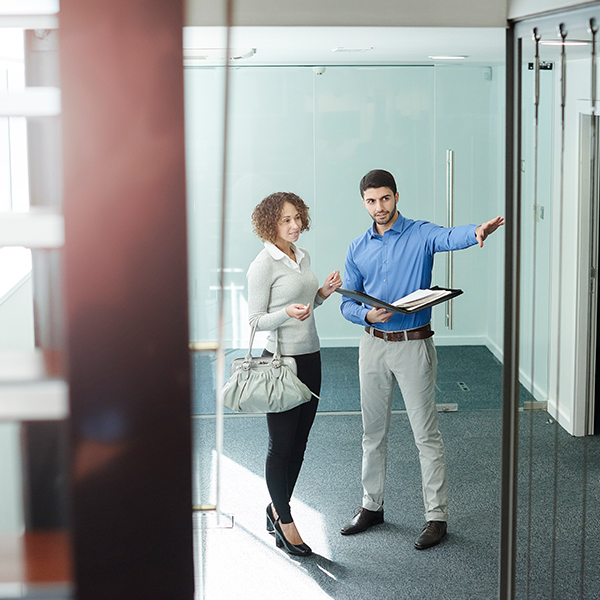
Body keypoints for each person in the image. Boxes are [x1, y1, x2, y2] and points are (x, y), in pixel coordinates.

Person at [339, 169, 504, 550]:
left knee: (425, 435)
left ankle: (436, 516)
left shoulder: (419, 233)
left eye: (385, 198)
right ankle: (371, 506)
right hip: (372, 345)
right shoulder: (357, 247)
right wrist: (366, 315)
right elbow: (348, 301)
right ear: (363, 202)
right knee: (372, 433)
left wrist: (476, 231)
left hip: (412, 345)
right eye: (371, 200)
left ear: (397, 196)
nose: (379, 207)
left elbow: (450, 236)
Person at [247, 191, 342, 557]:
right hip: (281, 363)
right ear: (270, 223)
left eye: (297, 218)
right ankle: (284, 520)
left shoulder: (300, 256)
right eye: (286, 220)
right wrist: (287, 313)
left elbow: (307, 304)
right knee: (281, 445)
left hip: (311, 358)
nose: (295, 225)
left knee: (300, 443)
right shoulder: (263, 264)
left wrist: (322, 293)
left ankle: (276, 507)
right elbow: (255, 321)